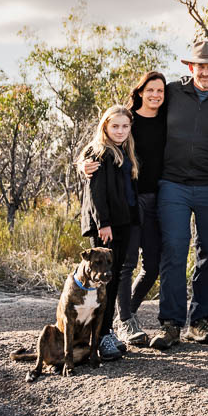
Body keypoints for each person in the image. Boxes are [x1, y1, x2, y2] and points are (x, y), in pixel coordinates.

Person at [149, 40, 208, 349]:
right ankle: (171, 324)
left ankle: (199, 323)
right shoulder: (172, 92)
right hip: (172, 184)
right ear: (190, 67)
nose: (206, 71)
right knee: (174, 249)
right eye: (200, 66)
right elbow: (134, 116)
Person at [82, 70, 167, 348]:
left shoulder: (131, 144)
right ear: (140, 91)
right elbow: (95, 184)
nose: (120, 130)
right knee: (113, 271)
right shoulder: (104, 147)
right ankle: (110, 329)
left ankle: (114, 323)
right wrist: (81, 163)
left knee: (141, 267)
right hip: (113, 219)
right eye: (150, 89)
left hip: (141, 209)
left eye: (160, 90)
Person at [79, 103, 139, 359]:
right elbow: (95, 193)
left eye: (125, 126)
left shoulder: (125, 150)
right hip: (107, 226)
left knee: (111, 279)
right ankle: (99, 337)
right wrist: (103, 223)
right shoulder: (98, 152)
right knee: (100, 280)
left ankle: (106, 331)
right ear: (105, 126)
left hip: (123, 222)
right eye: (115, 126)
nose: (120, 130)